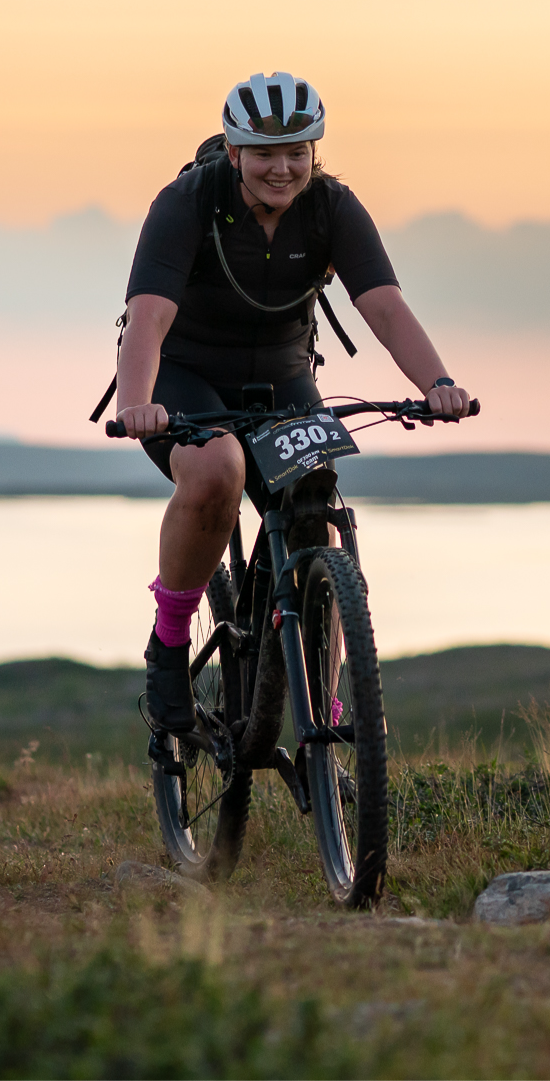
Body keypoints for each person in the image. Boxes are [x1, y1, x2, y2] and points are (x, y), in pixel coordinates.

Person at [112, 73, 474, 730]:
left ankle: (325, 704)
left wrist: (437, 385)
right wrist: (137, 402)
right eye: (264, 154)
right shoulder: (187, 202)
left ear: (315, 152)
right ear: (233, 154)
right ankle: (169, 646)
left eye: (297, 153)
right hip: (185, 379)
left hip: (285, 378)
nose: (283, 169)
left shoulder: (333, 208)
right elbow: (147, 319)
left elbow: (385, 308)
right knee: (218, 470)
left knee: (316, 502)